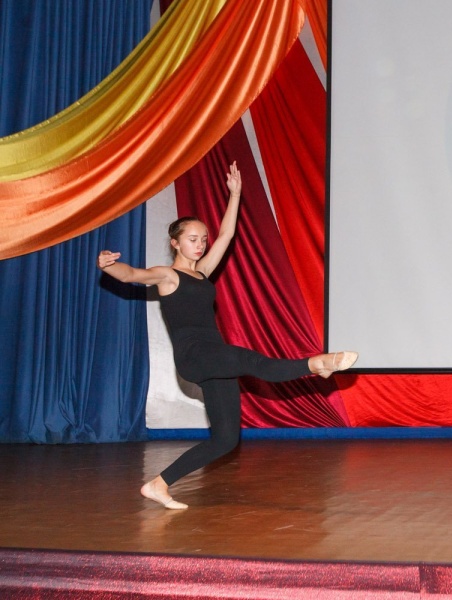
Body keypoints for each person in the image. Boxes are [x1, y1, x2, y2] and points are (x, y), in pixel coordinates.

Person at [97, 162, 358, 510]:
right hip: (194, 356)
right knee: (250, 360)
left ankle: (158, 485)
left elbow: (226, 236)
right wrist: (108, 265)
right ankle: (317, 364)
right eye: (192, 239)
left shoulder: (202, 273)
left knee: (225, 439)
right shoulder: (167, 276)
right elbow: (131, 275)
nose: (200, 244)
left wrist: (235, 194)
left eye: (202, 239)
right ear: (175, 243)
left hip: (213, 357)